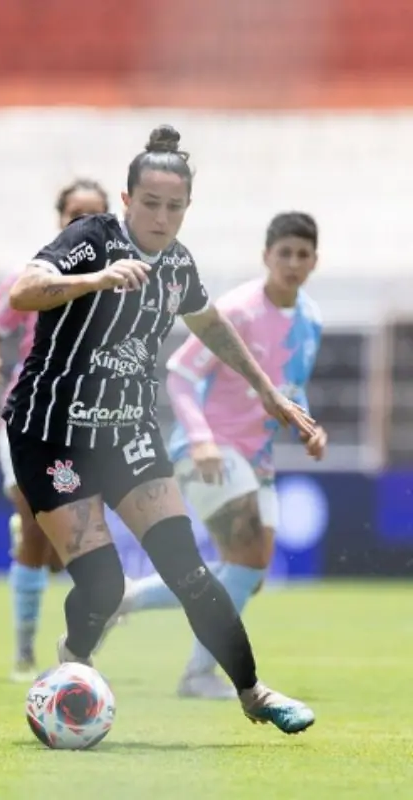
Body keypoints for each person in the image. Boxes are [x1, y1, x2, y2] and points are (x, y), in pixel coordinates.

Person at [2, 124, 320, 734]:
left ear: (187, 209)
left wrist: (267, 390)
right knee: (102, 583)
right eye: (150, 203)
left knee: (189, 569)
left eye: (174, 207)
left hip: (128, 436)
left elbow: (211, 326)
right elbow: (23, 291)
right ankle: (72, 663)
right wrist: (92, 280)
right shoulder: (90, 239)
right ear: (126, 201)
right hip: (52, 436)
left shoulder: (177, 265)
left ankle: (253, 693)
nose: (161, 216)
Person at [111, 212, 325, 700]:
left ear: (315, 260)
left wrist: (308, 427)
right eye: (284, 253)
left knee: (247, 572)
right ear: (266, 256)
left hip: (259, 459)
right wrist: (202, 437)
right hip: (208, 448)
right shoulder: (239, 311)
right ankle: (201, 673)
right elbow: (181, 372)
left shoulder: (311, 318)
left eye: (303, 254)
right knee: (248, 558)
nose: (293, 263)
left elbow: (291, 388)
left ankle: (132, 602)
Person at [0, 179, 109, 681]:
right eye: (74, 214)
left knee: (64, 547)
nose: (82, 224)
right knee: (36, 526)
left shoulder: (117, 285)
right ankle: (25, 655)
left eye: (92, 215)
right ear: (59, 219)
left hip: (84, 427)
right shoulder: (36, 276)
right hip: (27, 418)